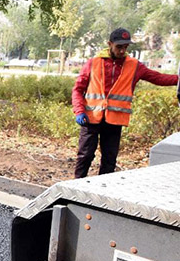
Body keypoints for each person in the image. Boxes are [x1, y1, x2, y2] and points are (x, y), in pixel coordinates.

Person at [72, 27, 178, 178]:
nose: (122, 51)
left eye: (125, 47)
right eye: (119, 47)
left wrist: (178, 79)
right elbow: (77, 89)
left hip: (114, 121)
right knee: (85, 156)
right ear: (110, 44)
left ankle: (103, 190)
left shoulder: (134, 66)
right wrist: (79, 111)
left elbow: (158, 78)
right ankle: (76, 185)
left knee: (109, 161)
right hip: (90, 118)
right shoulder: (93, 63)